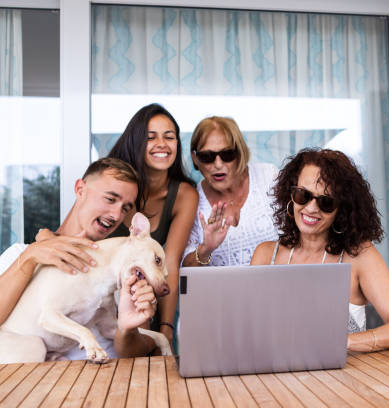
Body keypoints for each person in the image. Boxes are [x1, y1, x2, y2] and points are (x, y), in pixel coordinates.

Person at [251, 148, 389, 352]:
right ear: (290, 195)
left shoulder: (360, 256)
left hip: (344, 380)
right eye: (303, 195)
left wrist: (344, 342)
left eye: (326, 202)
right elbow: (249, 330)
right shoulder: (265, 255)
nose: (311, 208)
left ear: (342, 209)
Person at [0, 157, 159, 359]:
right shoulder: (21, 254)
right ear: (80, 190)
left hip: (108, 383)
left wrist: (127, 329)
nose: (116, 215)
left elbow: (135, 353)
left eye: (125, 208)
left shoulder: (126, 270)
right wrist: (29, 258)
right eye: (110, 199)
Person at [106, 103, 198, 347]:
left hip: (145, 303)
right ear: (136, 143)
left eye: (169, 137)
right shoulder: (113, 180)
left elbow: (171, 260)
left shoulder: (184, 194)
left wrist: (167, 328)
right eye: (150, 137)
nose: (162, 144)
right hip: (100, 300)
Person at [182, 116, 277, 267]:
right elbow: (184, 270)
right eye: (207, 157)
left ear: (240, 153)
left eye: (227, 155)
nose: (218, 164)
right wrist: (206, 248)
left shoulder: (268, 177)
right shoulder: (192, 200)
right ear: (195, 158)